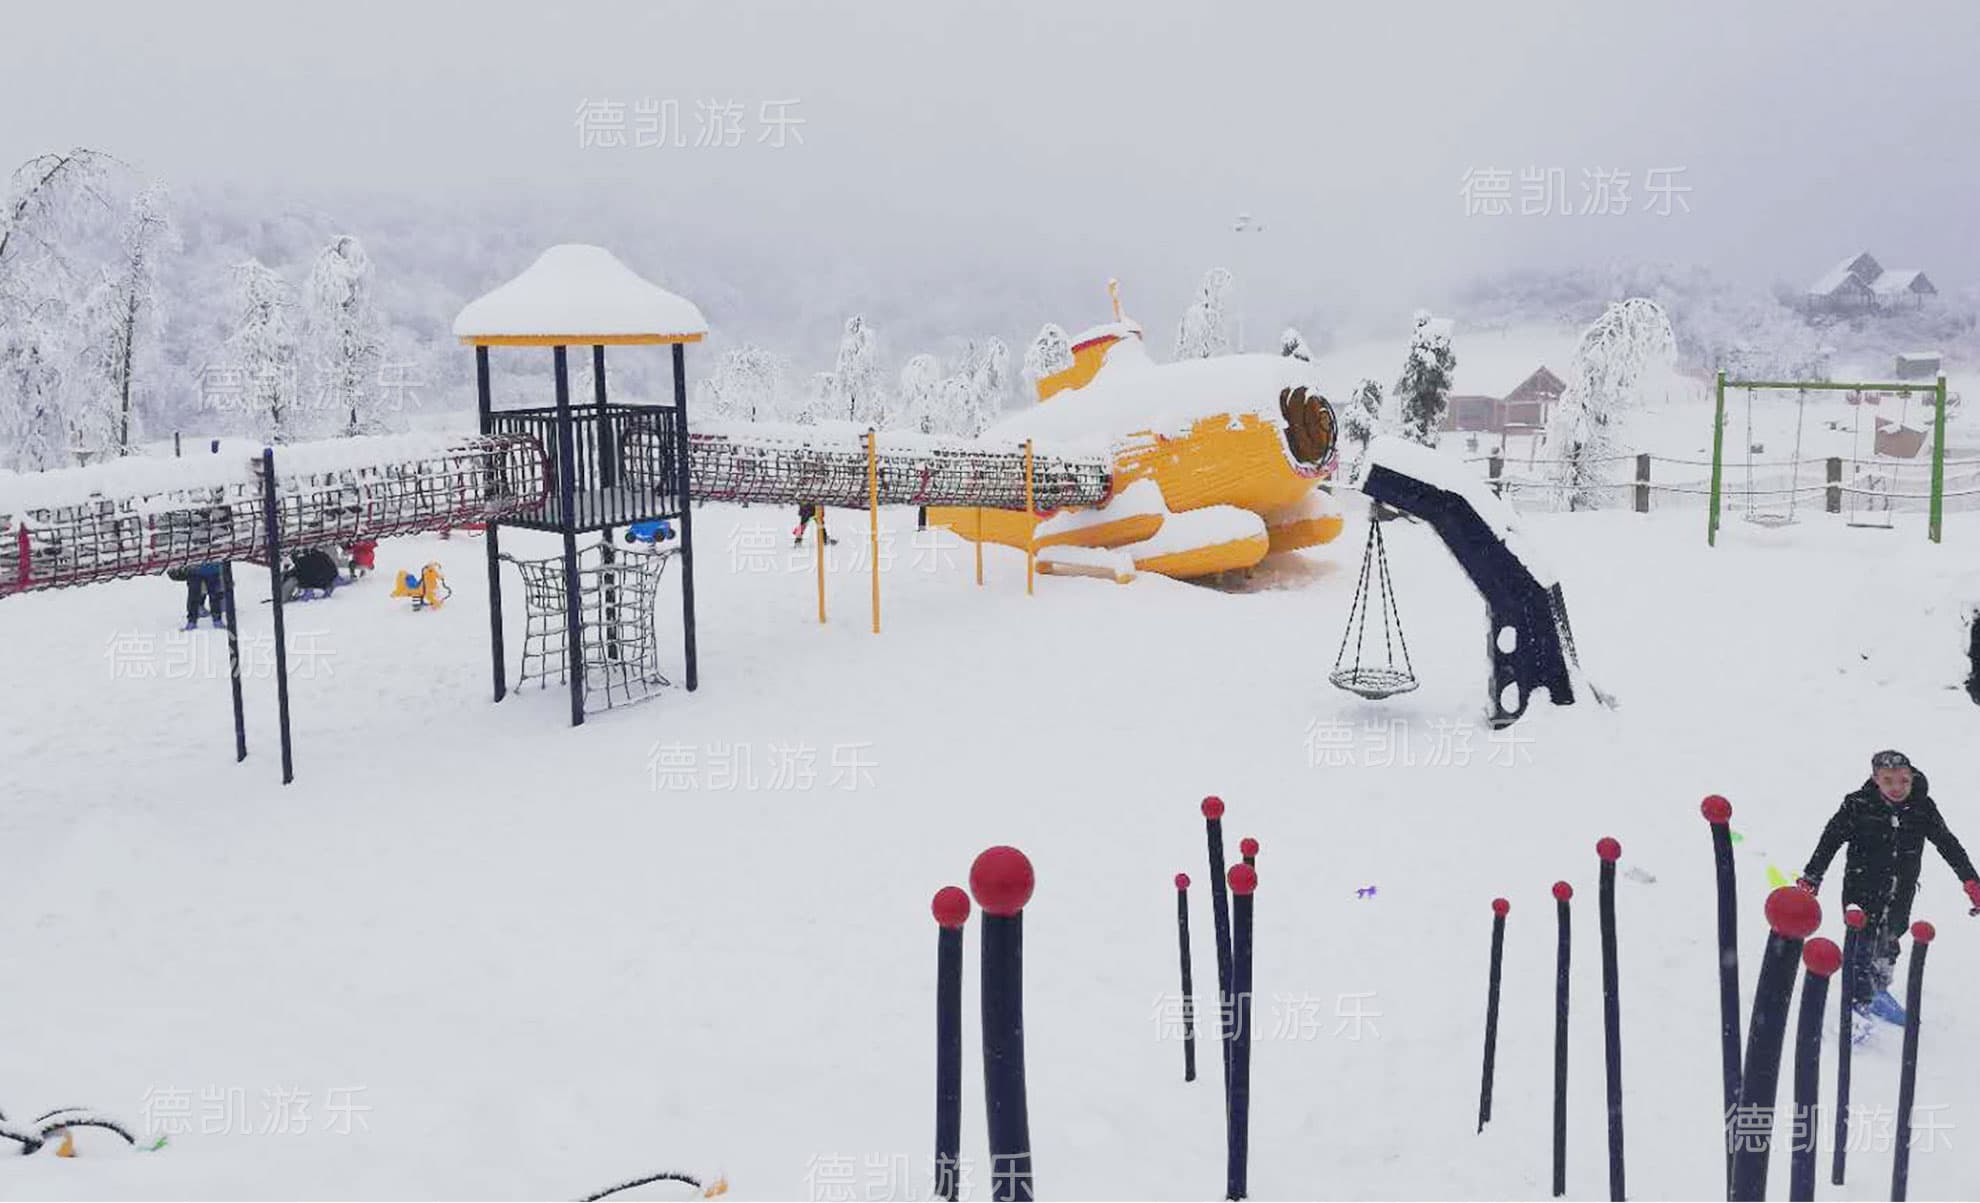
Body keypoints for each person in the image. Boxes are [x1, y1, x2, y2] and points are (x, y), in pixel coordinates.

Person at [1799, 750, 1980, 1026]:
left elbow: (1948, 844)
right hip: (1862, 890)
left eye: (1904, 781)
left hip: (1901, 891)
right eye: (1888, 781)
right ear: (1875, 779)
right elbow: (1830, 841)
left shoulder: (1922, 807)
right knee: (1861, 946)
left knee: (1892, 938)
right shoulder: (1858, 805)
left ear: (1912, 778)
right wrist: (1812, 877)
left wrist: (1970, 881)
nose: (1897, 788)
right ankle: (1858, 1004)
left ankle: (1879, 990)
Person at [174, 562, 227, 630]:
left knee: (213, 596)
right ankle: (193, 621)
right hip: (199, 570)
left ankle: (216, 620)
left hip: (206, 569)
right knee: (196, 596)